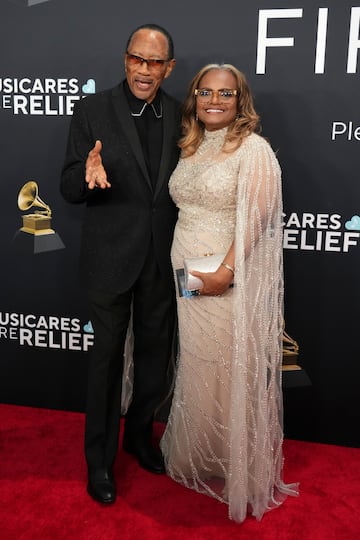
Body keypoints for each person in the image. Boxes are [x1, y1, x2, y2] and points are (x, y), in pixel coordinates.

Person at [160, 64, 299, 522]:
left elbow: (258, 219)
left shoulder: (253, 149)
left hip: (221, 272)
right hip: (187, 270)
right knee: (200, 360)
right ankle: (199, 451)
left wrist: (227, 269)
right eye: (205, 92)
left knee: (227, 361)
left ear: (241, 101)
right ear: (194, 98)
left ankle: (234, 460)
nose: (214, 100)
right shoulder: (190, 145)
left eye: (226, 93)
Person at [60, 23, 181, 505]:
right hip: (110, 259)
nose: (145, 70)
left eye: (155, 62)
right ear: (125, 60)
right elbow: (68, 186)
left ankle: (139, 439)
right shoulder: (92, 109)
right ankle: (99, 462)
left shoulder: (180, 114)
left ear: (168, 68)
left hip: (162, 259)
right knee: (107, 365)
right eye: (137, 58)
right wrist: (88, 178)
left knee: (155, 361)